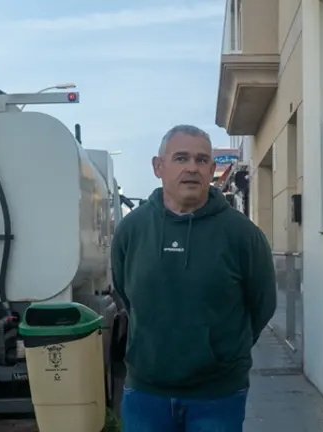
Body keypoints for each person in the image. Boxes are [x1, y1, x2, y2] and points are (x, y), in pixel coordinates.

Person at [111, 124, 277, 432]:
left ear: (212, 169)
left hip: (217, 396)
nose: (192, 168)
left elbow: (262, 303)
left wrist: (221, 355)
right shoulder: (131, 230)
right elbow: (125, 292)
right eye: (181, 158)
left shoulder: (242, 234)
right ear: (158, 167)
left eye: (201, 160)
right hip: (146, 393)